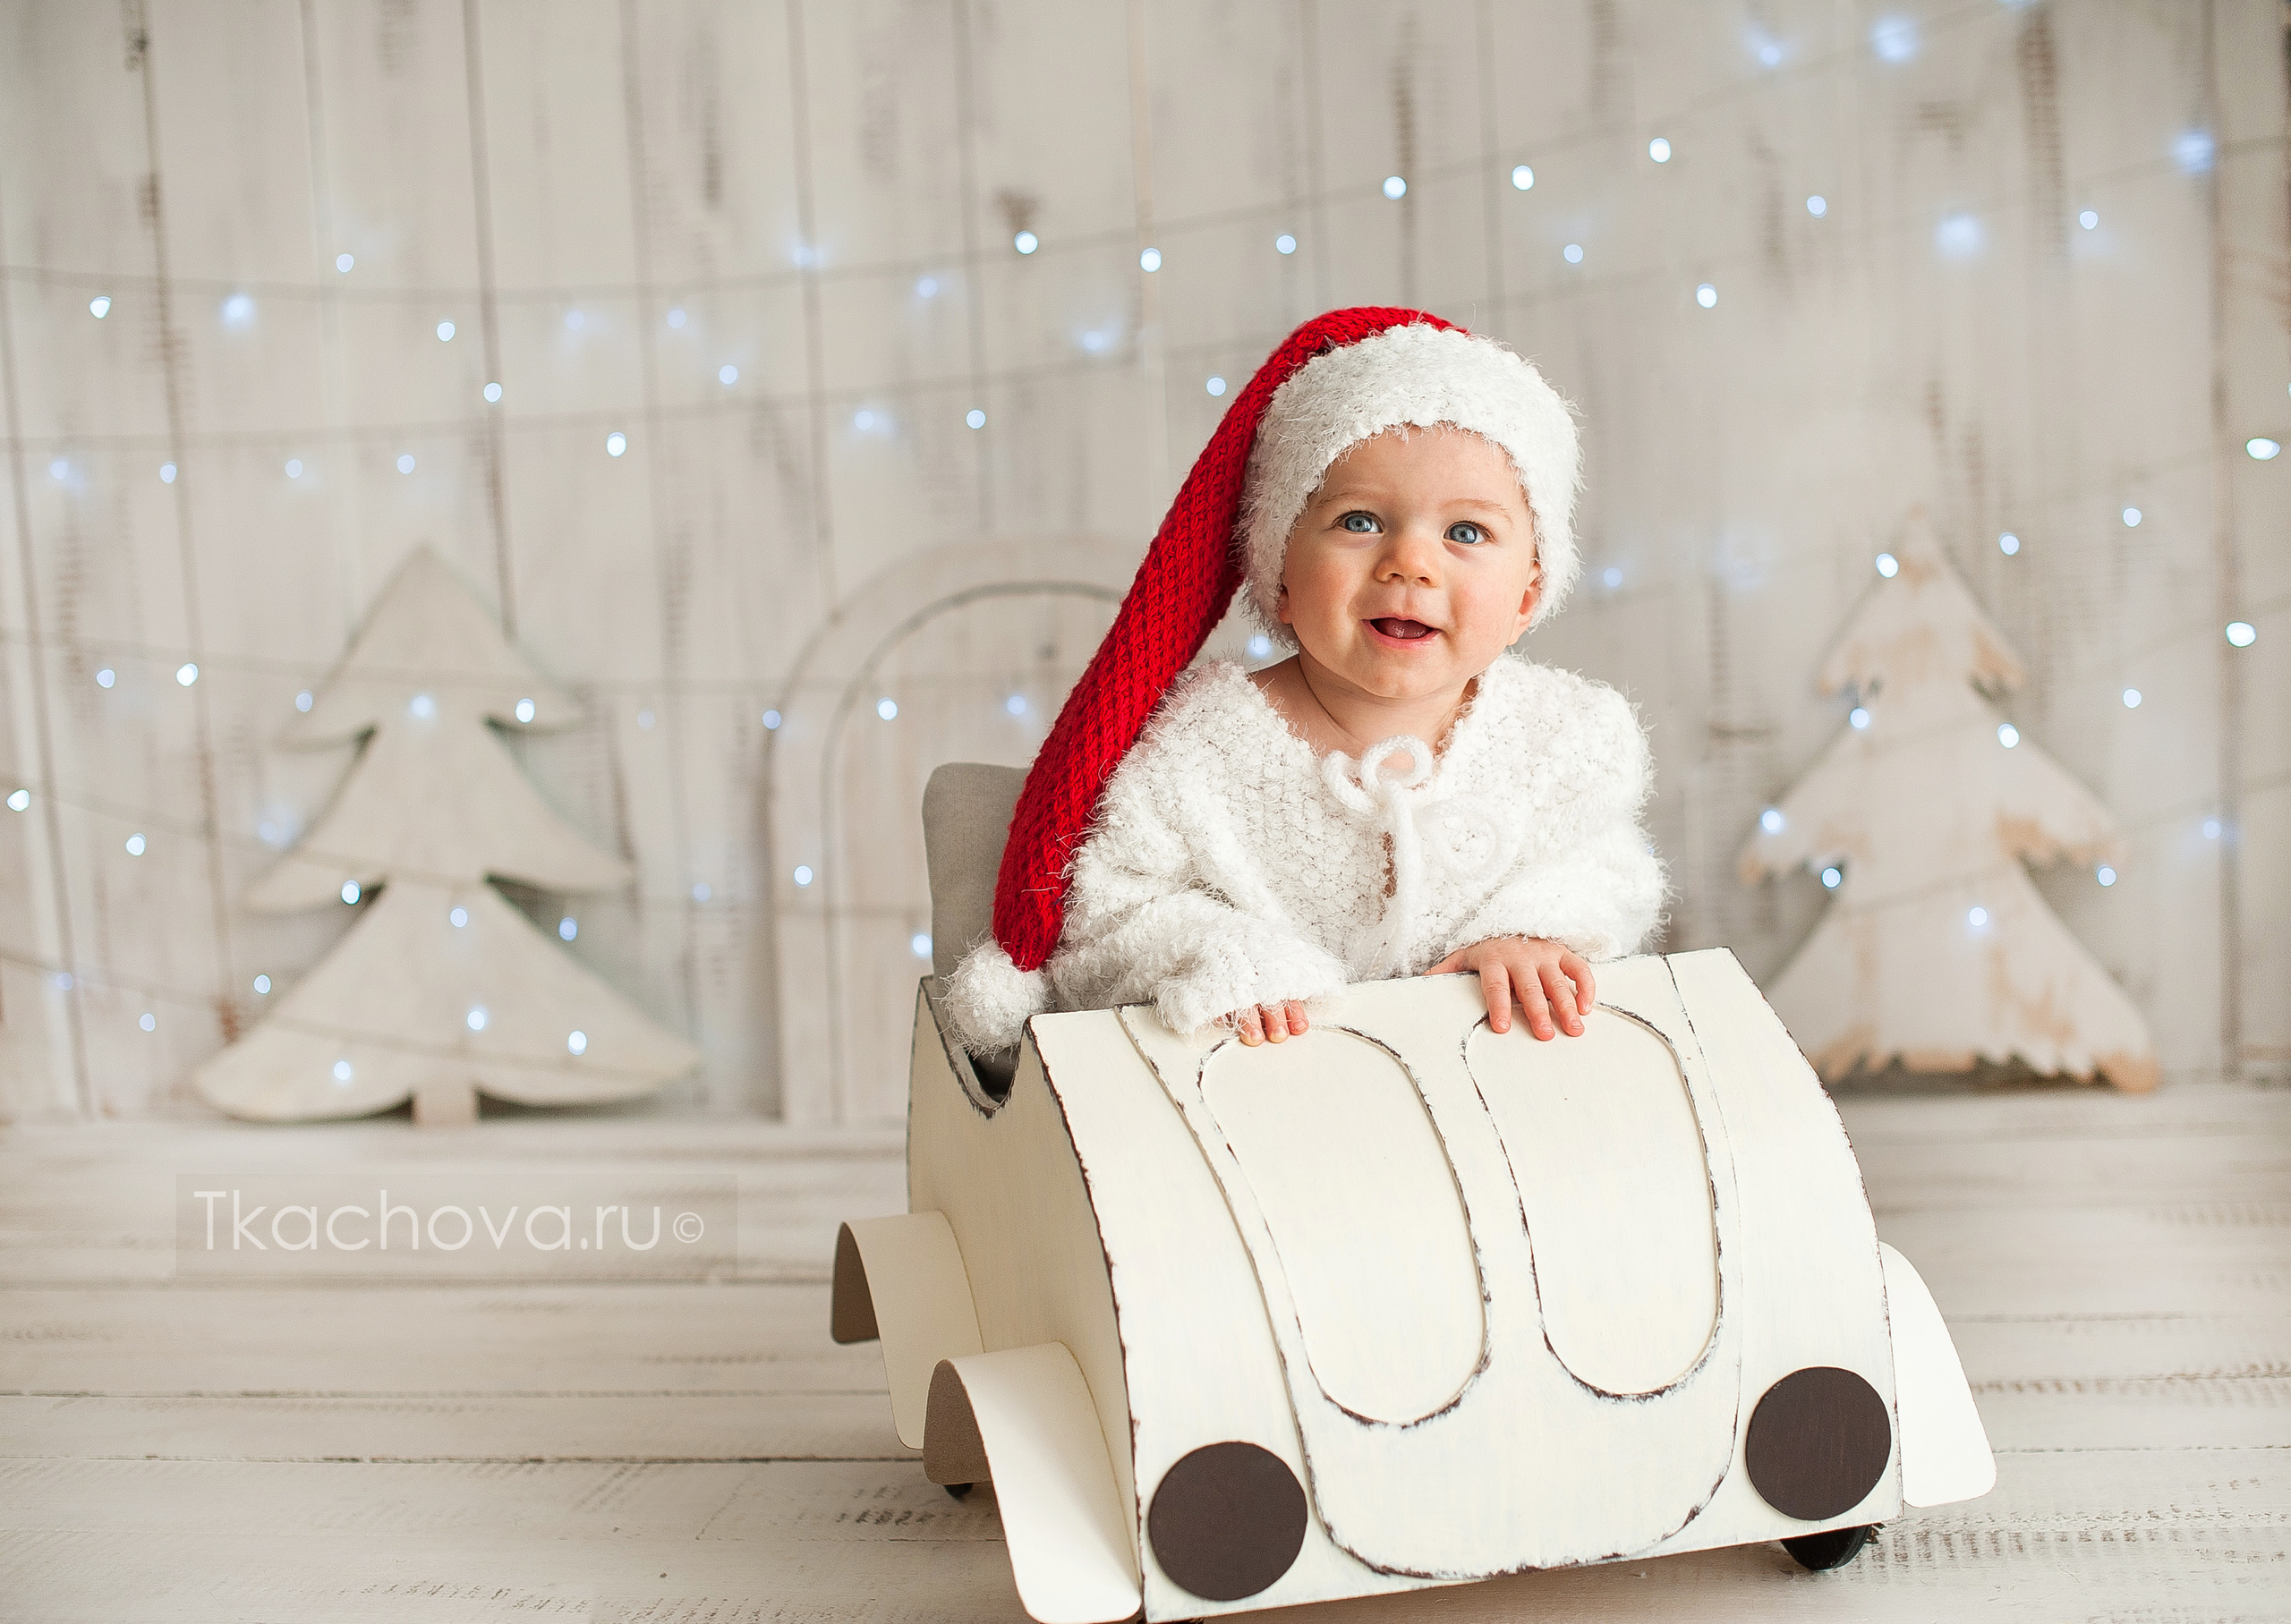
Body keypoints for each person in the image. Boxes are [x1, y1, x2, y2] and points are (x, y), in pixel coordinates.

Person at [946, 309, 1664, 1056]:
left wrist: (1531, 929)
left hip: (1487, 1110)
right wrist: (1222, 954)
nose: (1410, 562)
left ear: (1526, 597)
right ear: (1278, 574)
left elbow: (1608, 865)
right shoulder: (1197, 746)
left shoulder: (1564, 735)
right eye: (1360, 521)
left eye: (1466, 533)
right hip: (1263, 1117)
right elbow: (1106, 912)